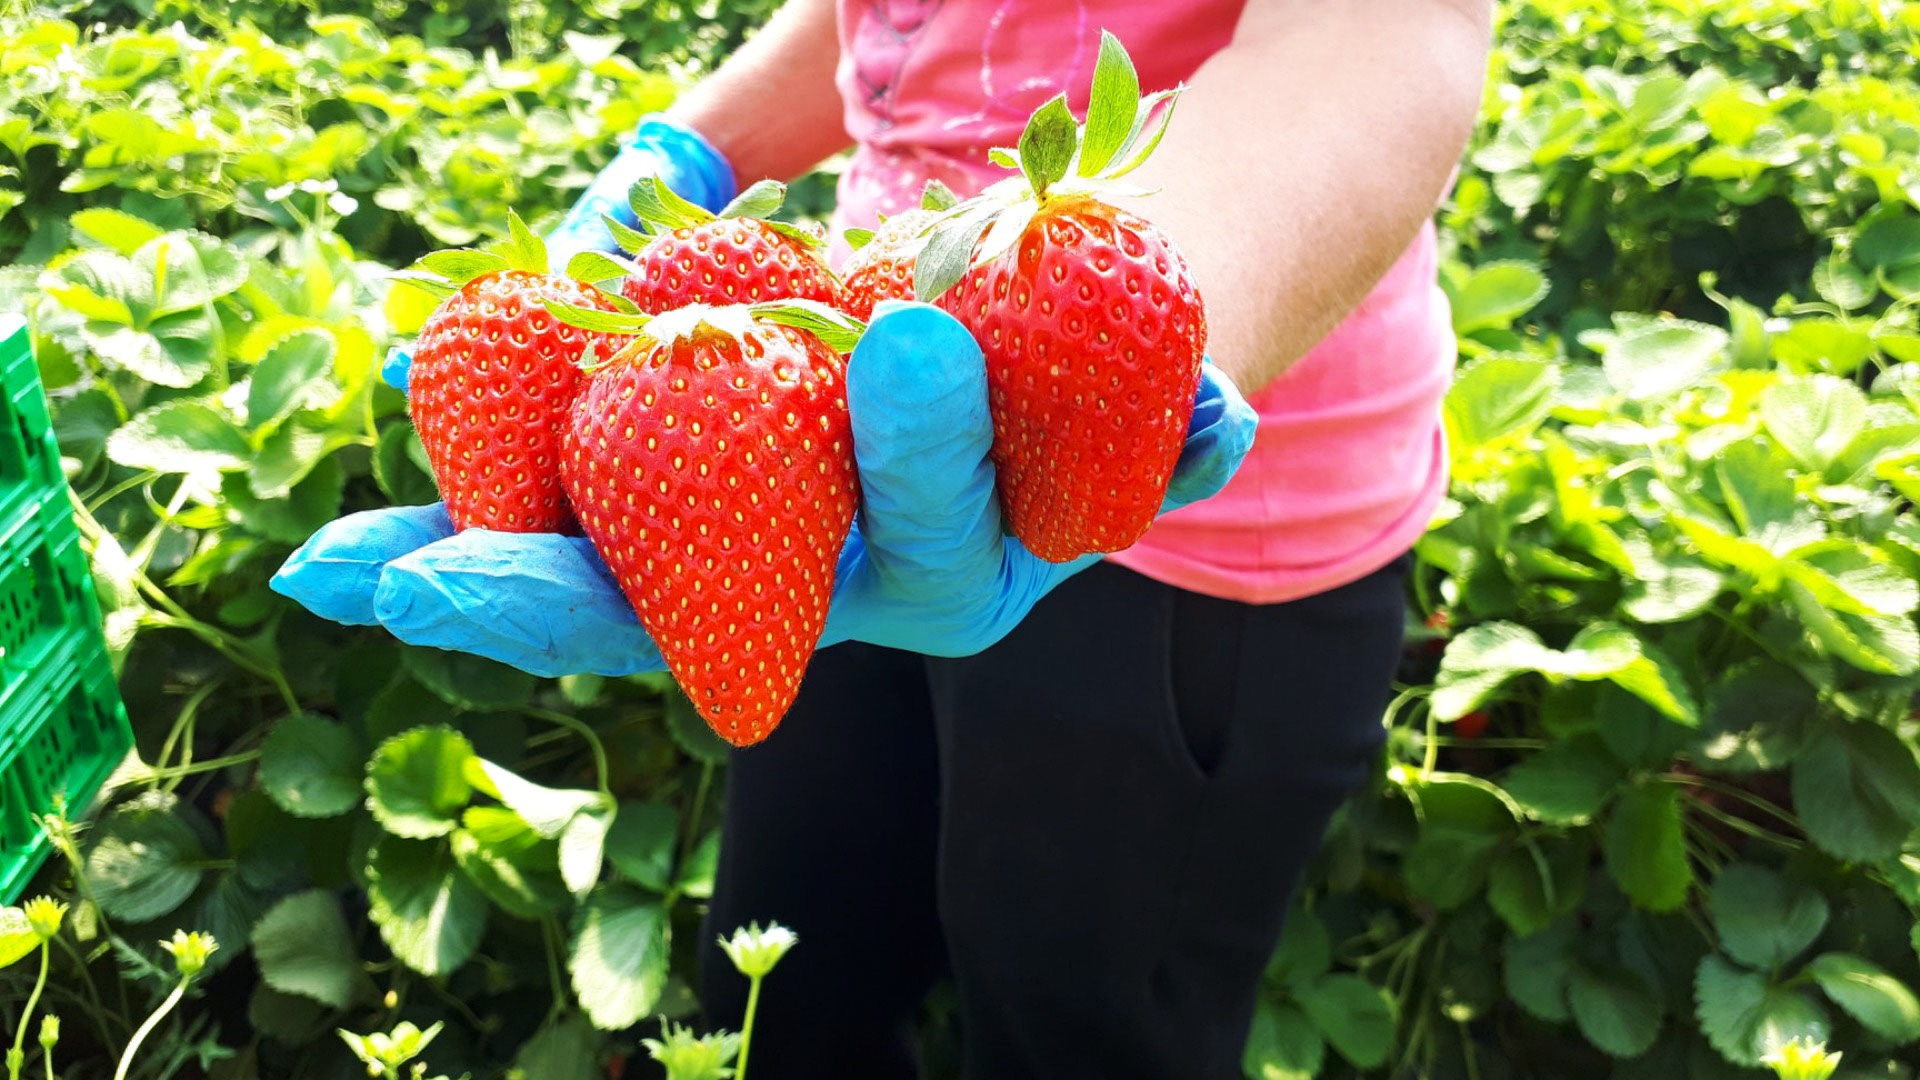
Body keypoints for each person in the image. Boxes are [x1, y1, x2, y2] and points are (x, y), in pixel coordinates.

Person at [274, 1, 1492, 1076]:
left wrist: (1128, 322)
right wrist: (694, 147)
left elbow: (1379, 32)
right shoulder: (769, 418)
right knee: (789, 980)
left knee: (1085, 1027)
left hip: (1198, 547)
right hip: (839, 454)